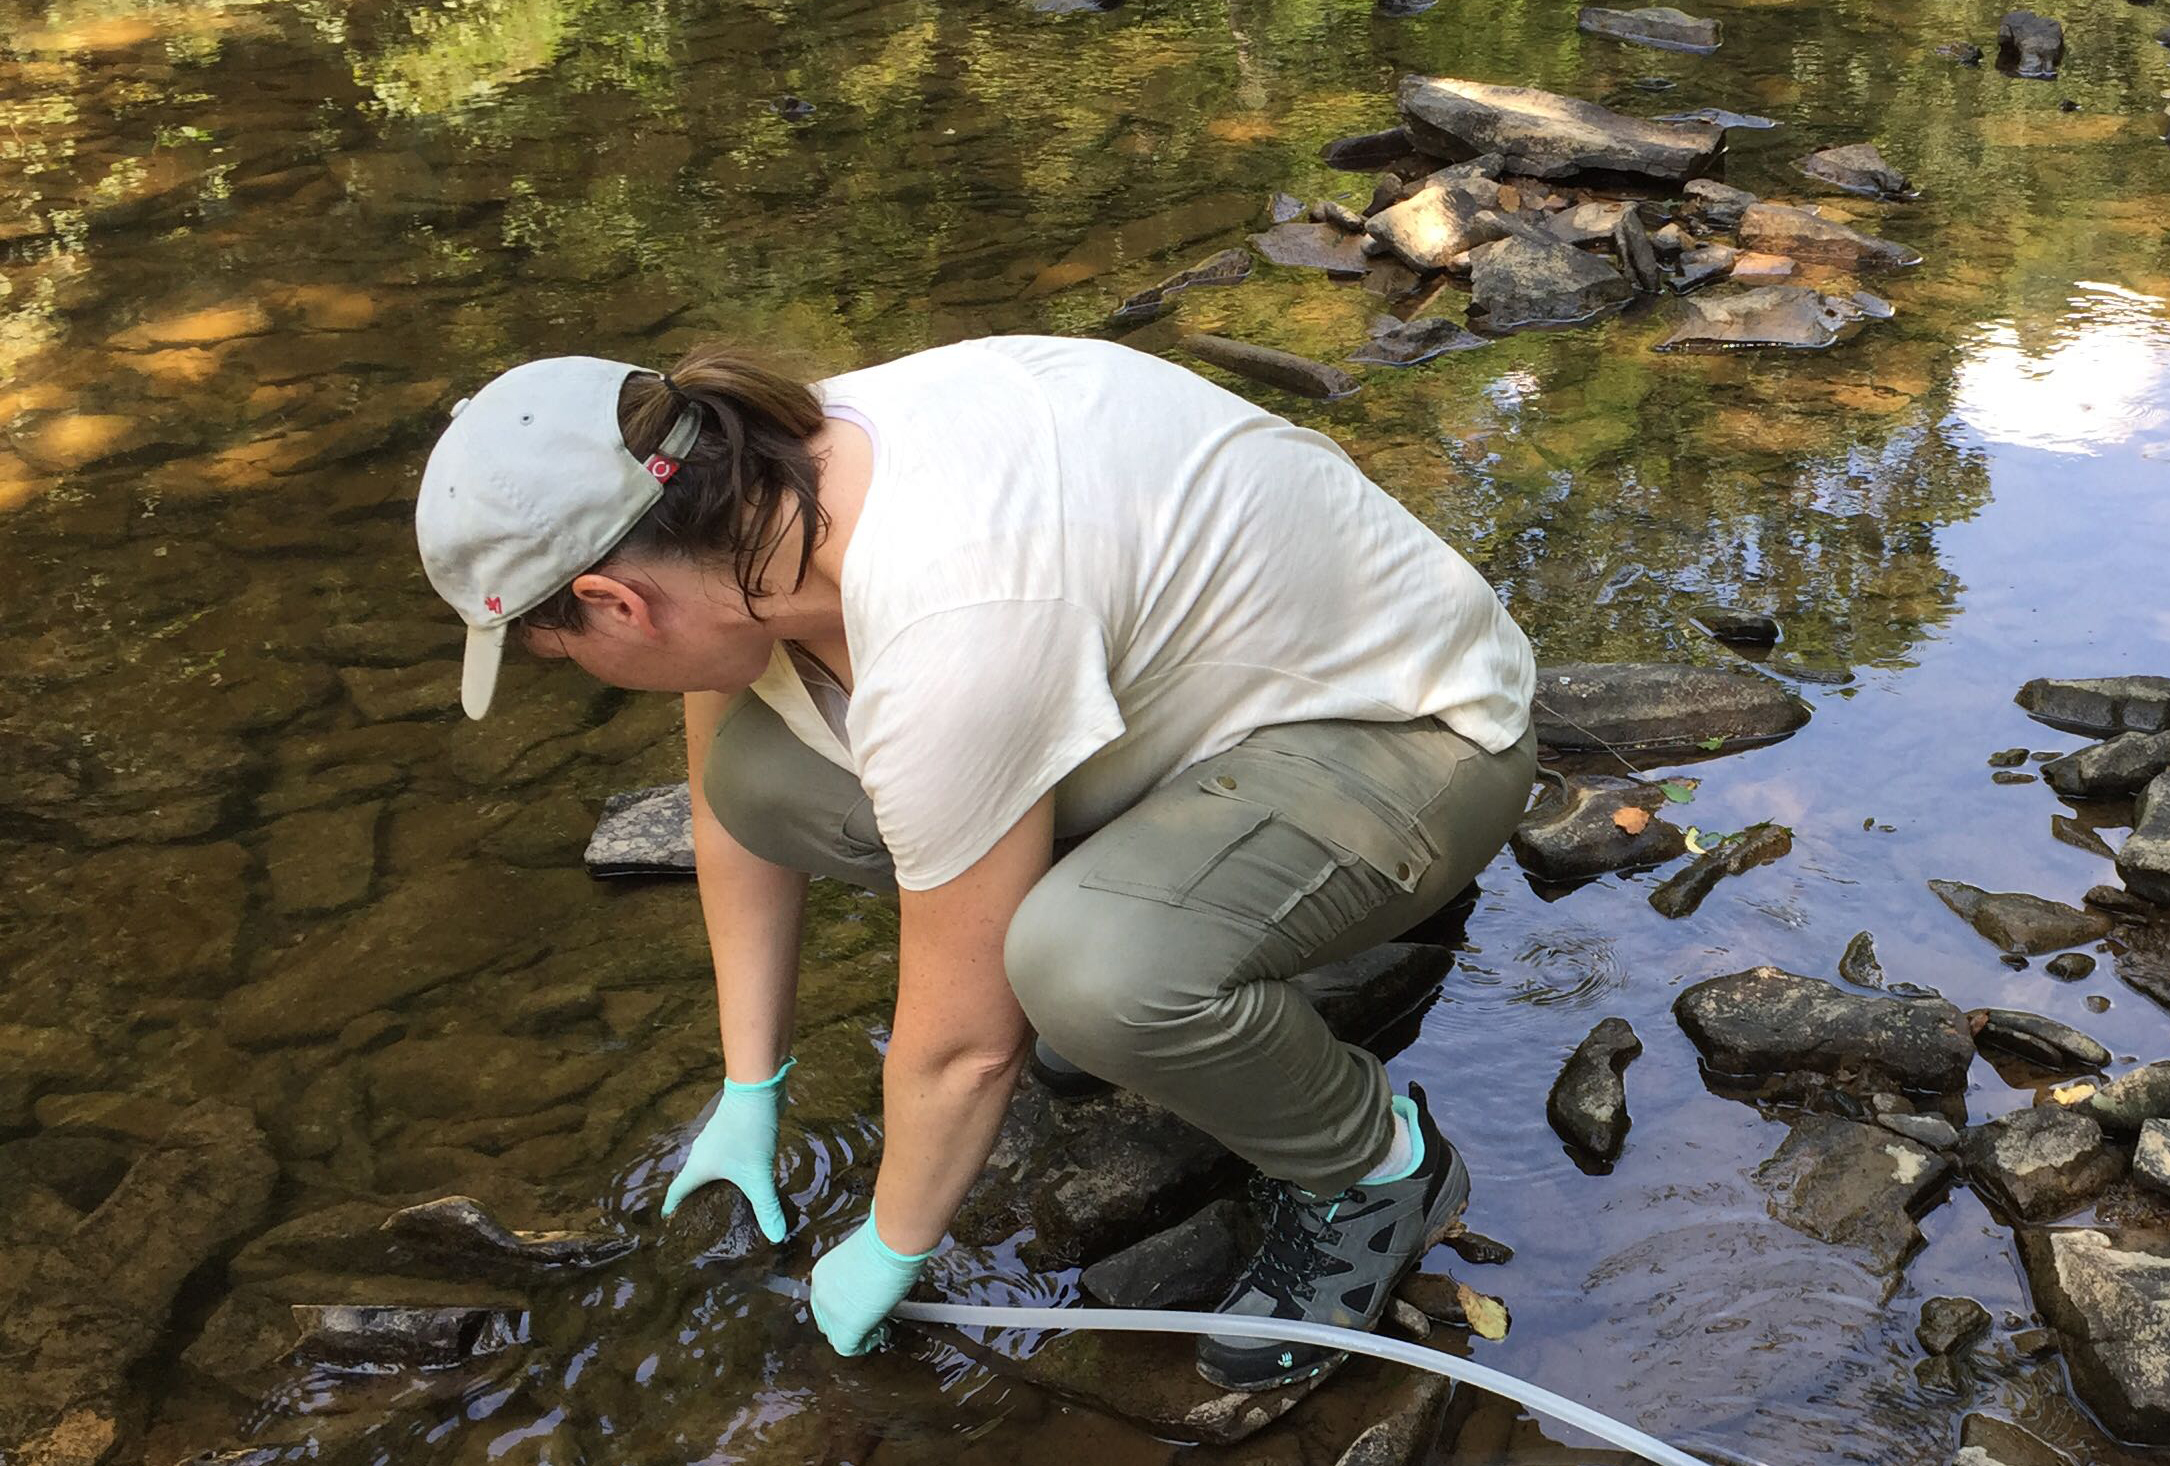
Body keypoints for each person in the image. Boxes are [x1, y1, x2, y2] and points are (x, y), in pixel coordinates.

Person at [411, 336, 1536, 1384]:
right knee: (759, 777)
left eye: (562, 654)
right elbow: (729, 815)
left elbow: (962, 1053)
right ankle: (1180, 935)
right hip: (1192, 716)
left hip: (1412, 733)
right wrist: (749, 1087)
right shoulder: (753, 501)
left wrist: (892, 1242)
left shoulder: (949, 602)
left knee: (1089, 971)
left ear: (616, 601)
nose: (577, 672)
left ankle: (1377, 1170)